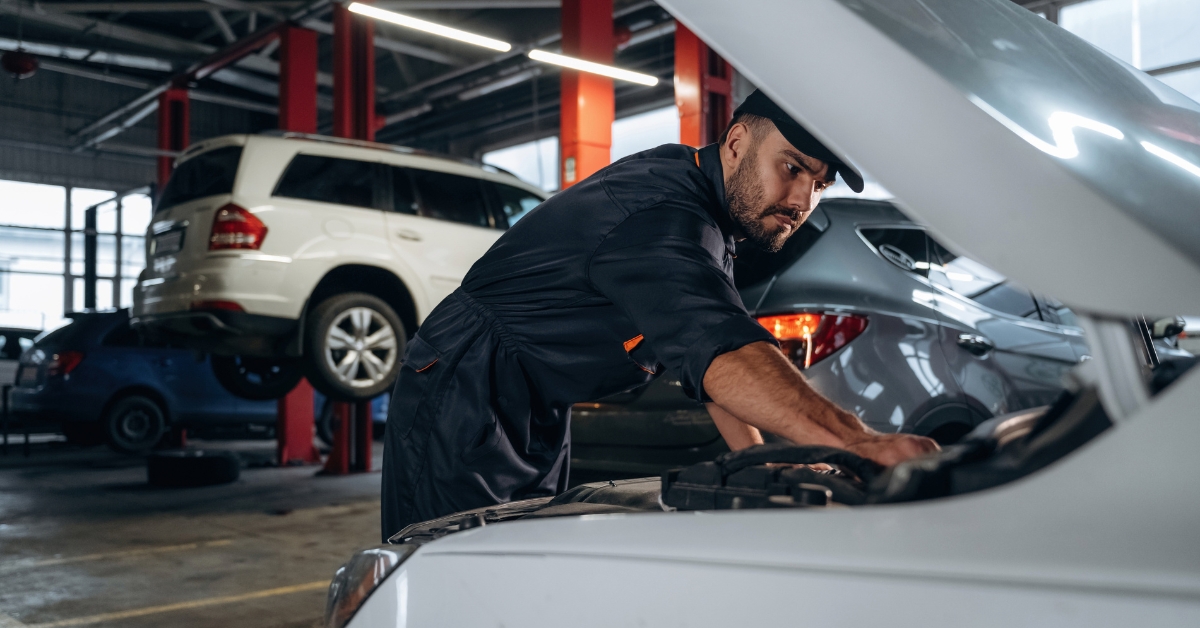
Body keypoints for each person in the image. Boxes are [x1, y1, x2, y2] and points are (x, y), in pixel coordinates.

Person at [381, 90, 938, 540]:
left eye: (818, 185)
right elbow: (723, 351)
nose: (801, 199)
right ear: (738, 142)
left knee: (515, 558)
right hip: (467, 387)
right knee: (453, 569)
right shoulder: (663, 218)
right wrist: (858, 442)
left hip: (534, 403)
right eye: (791, 167)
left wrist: (763, 464)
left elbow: (710, 360)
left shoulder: (709, 214)